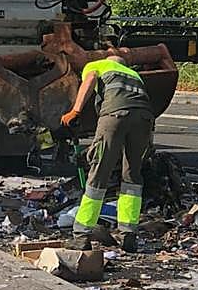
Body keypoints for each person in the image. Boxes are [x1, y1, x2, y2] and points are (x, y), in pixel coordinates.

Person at [60, 45, 173, 253]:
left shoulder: (95, 65)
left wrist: (74, 111)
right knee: (132, 175)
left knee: (99, 174)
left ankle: (81, 235)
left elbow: (90, 81)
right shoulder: (134, 75)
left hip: (115, 115)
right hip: (144, 119)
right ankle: (128, 233)